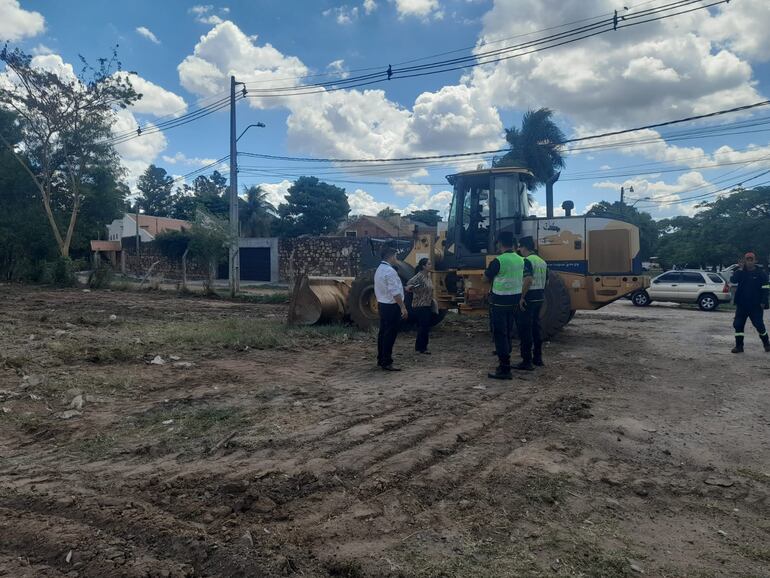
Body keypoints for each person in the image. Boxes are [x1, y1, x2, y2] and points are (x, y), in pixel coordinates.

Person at [485, 231, 526, 379]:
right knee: (508, 331)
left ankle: (504, 368)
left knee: (500, 334)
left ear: (500, 243)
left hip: (499, 301)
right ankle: (507, 361)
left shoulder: (498, 261)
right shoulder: (521, 260)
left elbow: (486, 278)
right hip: (515, 300)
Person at [375, 247, 408, 370]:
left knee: (383, 333)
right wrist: (403, 307)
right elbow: (394, 292)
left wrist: (404, 288)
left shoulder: (379, 269)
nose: (396, 258)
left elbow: (388, 288)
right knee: (390, 334)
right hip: (391, 306)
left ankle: (381, 358)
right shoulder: (390, 271)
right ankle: (387, 361)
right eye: (395, 256)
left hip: (382, 304)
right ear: (391, 256)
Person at [729, 252, 770, 353]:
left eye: (752, 259)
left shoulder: (761, 273)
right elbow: (733, 280)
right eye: (748, 259)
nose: (750, 261)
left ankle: (767, 344)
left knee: (759, 326)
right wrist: (739, 269)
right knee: (738, 325)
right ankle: (739, 346)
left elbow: (766, 288)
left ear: (755, 261)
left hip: (756, 306)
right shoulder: (741, 272)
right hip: (742, 305)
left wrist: (764, 301)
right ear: (745, 260)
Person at [518, 236, 548, 368]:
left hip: (529, 298)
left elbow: (528, 280)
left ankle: (526, 361)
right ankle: (538, 358)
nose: (519, 249)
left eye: (520, 247)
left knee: (526, 329)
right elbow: (547, 281)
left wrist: (521, 297)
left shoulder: (527, 261)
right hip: (540, 297)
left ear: (524, 247)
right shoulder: (542, 262)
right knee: (536, 328)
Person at [406, 258, 434, 354]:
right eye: (429, 264)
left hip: (427, 304)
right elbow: (409, 283)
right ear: (423, 266)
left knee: (425, 326)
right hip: (420, 304)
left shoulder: (428, 276)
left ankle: (422, 346)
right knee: (423, 326)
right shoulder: (420, 276)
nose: (431, 265)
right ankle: (421, 348)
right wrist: (411, 288)